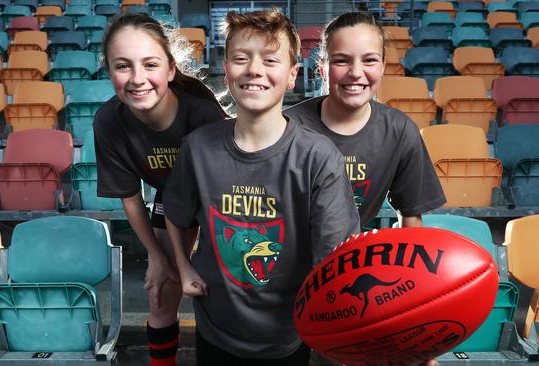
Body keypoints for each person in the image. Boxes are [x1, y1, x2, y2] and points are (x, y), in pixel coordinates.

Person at [162, 9, 360, 365]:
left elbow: (334, 259)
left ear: (291, 75)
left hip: (286, 337)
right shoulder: (198, 147)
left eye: (270, 59)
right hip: (215, 330)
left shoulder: (317, 157)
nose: (254, 69)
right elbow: (175, 213)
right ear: (227, 70)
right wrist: (184, 267)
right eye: (241, 58)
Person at [93, 12, 227, 366]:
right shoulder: (109, 121)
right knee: (160, 293)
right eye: (123, 66)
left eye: (149, 64)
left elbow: (218, 197)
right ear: (109, 72)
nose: (137, 79)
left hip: (222, 200)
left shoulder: (203, 116)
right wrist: (157, 256)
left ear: (170, 69)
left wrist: (190, 263)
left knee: (221, 289)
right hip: (171, 200)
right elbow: (132, 197)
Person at [285, 11, 446, 229]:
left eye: (369, 60)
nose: (356, 73)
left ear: (383, 68)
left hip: (350, 257)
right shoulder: (289, 127)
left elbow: (411, 217)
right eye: (342, 61)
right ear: (323, 69)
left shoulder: (400, 131)